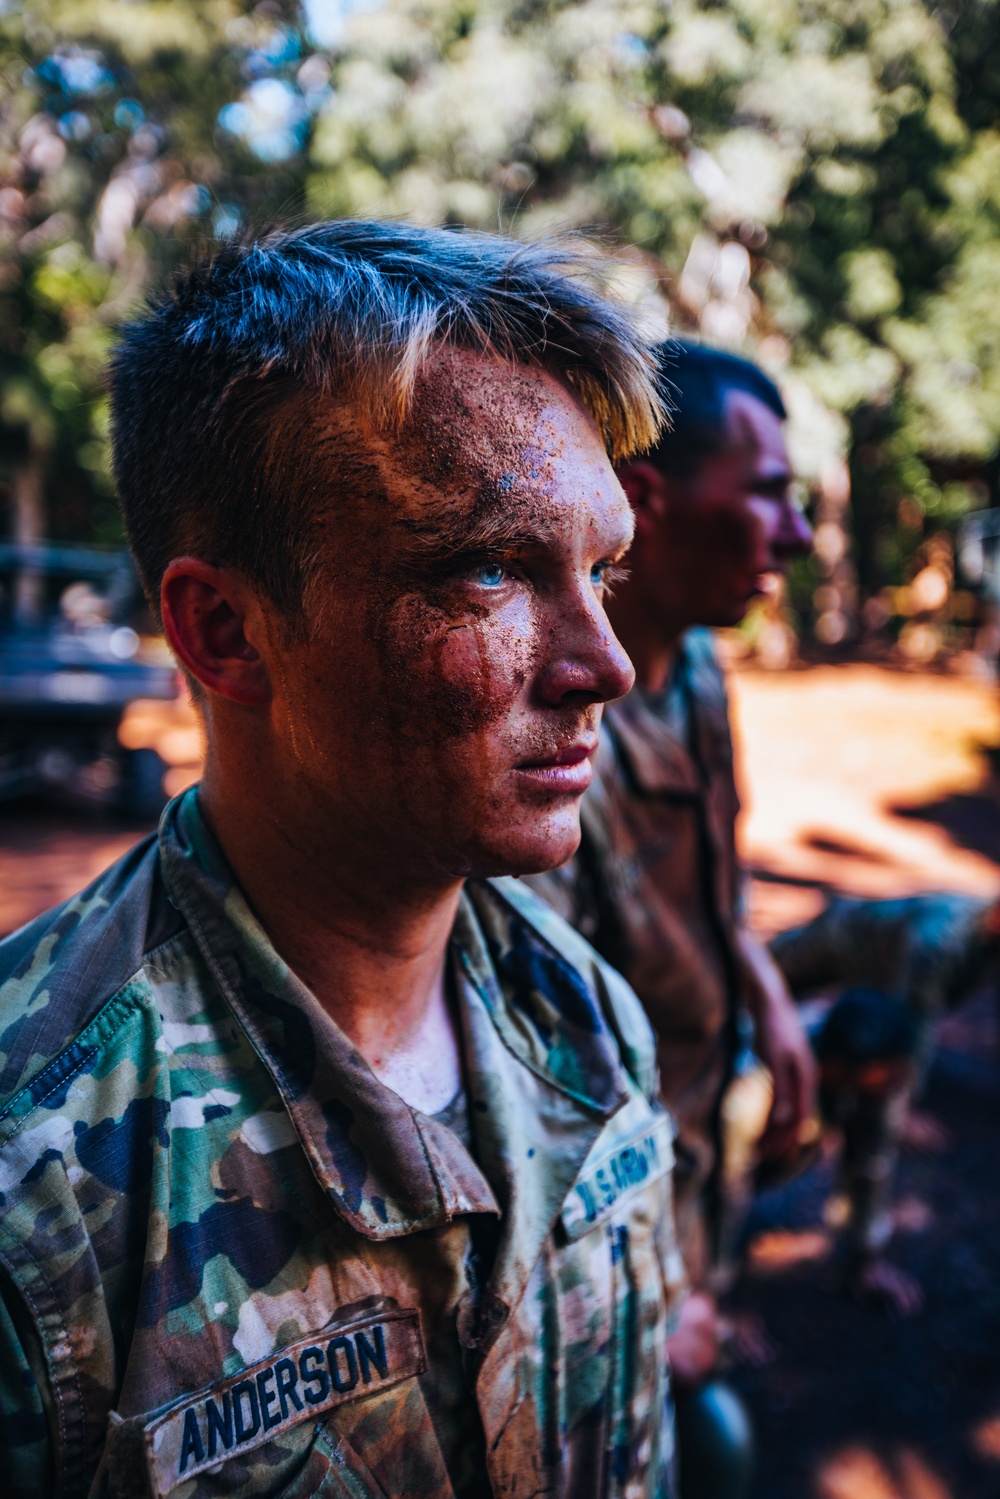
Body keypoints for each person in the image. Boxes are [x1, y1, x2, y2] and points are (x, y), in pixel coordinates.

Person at [0, 223, 686, 1499]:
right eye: (489, 570)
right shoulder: (35, 1180)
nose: (607, 664)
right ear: (225, 629)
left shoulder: (586, 1020)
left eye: (602, 570)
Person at [527, 341, 816, 1499]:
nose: (791, 536)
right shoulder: (546, 750)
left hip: (695, 1159)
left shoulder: (697, 666)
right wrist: (648, 1294)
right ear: (644, 501)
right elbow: (542, 1087)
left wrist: (767, 994)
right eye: (768, 495)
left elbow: (716, 882)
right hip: (606, 1224)